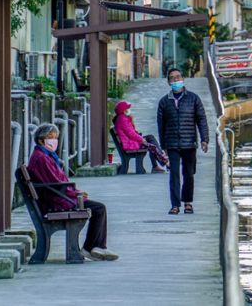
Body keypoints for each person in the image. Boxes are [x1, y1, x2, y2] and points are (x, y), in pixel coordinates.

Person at [27, 124, 118, 261]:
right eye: (50, 137)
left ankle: (95, 247)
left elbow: (56, 183)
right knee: (99, 208)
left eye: (55, 137)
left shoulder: (45, 156)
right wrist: (75, 194)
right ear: (40, 141)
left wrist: (74, 191)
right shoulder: (42, 158)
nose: (54, 141)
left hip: (56, 197)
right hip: (56, 200)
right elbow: (55, 184)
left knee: (98, 208)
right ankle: (92, 247)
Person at [157, 69, 209, 215]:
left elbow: (202, 120)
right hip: (172, 143)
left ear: (183, 79)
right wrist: (163, 146)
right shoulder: (164, 102)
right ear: (168, 82)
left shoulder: (193, 99)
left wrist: (204, 139)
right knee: (174, 174)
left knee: (189, 173)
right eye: (172, 78)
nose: (175, 80)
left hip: (189, 143)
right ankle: (175, 204)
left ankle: (188, 202)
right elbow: (161, 125)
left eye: (178, 77)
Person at [113, 100, 169, 173]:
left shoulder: (124, 119)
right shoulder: (123, 120)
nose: (129, 110)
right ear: (124, 111)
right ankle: (165, 162)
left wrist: (132, 121)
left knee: (150, 138)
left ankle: (159, 159)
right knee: (152, 146)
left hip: (131, 142)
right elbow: (131, 134)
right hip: (130, 144)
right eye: (127, 108)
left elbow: (134, 132)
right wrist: (141, 139)